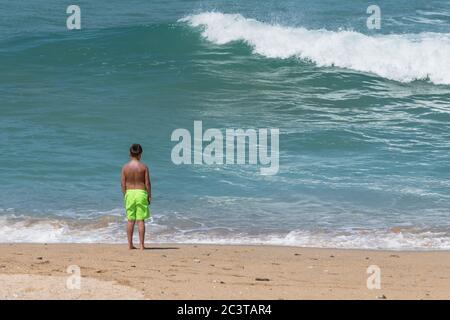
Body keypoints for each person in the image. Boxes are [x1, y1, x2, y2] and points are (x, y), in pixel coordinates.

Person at [121, 144, 151, 250]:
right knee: (140, 220)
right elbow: (147, 183)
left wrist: (125, 194)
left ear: (130, 153)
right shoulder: (143, 167)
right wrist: (149, 195)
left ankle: (130, 245)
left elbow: (123, 183)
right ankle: (142, 245)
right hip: (141, 193)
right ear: (140, 154)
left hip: (129, 193)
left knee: (130, 220)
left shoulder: (125, 167)